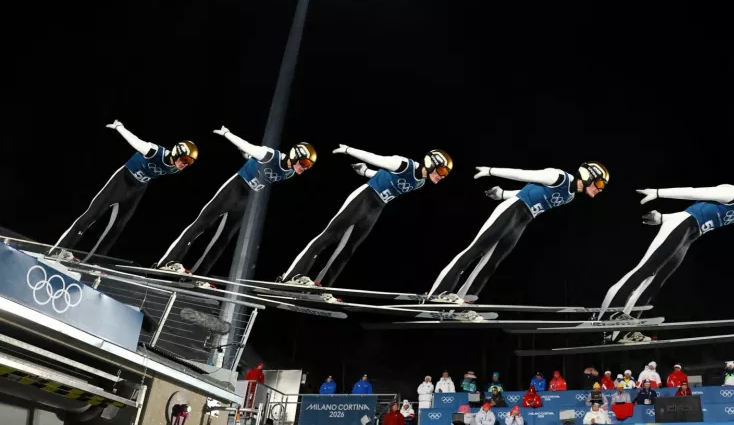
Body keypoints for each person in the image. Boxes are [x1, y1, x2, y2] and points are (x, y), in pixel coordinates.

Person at [598, 178, 734, 343]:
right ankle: (609, 313)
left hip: (689, 237)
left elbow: (700, 208)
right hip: (683, 226)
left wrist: (662, 217)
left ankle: (624, 328)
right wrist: (658, 193)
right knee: (646, 269)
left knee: (656, 282)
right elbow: (695, 192)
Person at [427, 162, 609, 304]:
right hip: (513, 209)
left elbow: (531, 190)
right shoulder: (559, 177)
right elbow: (523, 174)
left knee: (492, 263)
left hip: (523, 220)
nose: (600, 189)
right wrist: (491, 171)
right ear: (587, 176)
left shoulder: (569, 197)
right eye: (599, 183)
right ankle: (438, 293)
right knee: (475, 250)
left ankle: (464, 300)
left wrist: (503, 193)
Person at [279, 145, 453, 294]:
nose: (442, 176)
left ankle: (320, 286)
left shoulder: (420, 183)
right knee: (330, 236)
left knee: (348, 249)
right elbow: (375, 158)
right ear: (431, 164)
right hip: (364, 197)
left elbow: (385, 176)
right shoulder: (403, 164)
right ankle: (290, 277)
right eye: (442, 171)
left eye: (446, 174)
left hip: (376, 208)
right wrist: (348, 150)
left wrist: (365, 172)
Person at [153, 126, 315, 281]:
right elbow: (246, 146)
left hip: (247, 200)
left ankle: (198, 275)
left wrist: (248, 157)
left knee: (224, 238)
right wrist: (227, 134)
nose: (305, 168)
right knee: (201, 225)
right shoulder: (270, 154)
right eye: (304, 163)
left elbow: (252, 158)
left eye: (309, 166)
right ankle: (166, 262)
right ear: (295, 156)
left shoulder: (290, 173)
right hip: (234, 189)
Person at [50, 120, 197, 262]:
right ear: (177, 152)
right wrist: (119, 127)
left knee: (116, 228)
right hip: (122, 181)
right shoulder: (153, 151)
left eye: (189, 162)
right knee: (92, 215)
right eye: (185, 159)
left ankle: (93, 262)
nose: (185, 164)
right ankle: (58, 250)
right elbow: (134, 140)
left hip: (138, 190)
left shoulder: (174, 169)